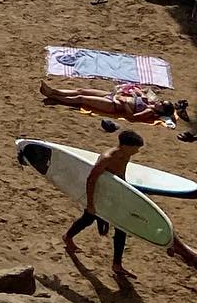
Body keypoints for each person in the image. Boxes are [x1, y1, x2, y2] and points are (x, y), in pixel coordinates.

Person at [62, 131, 145, 275]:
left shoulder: (126, 155)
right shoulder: (107, 158)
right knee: (88, 219)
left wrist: (125, 192)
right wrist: (90, 203)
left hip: (113, 195)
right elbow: (91, 180)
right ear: (126, 146)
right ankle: (68, 237)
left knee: (121, 228)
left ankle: (117, 265)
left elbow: (121, 174)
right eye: (135, 148)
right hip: (100, 195)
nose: (137, 151)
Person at [40, 80, 185, 124]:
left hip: (114, 105)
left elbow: (132, 118)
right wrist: (136, 92)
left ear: (160, 110)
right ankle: (55, 91)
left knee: (81, 99)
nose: (159, 102)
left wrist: (126, 104)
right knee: (81, 90)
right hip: (113, 96)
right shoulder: (151, 103)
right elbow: (143, 92)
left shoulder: (149, 111)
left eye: (161, 104)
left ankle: (55, 96)